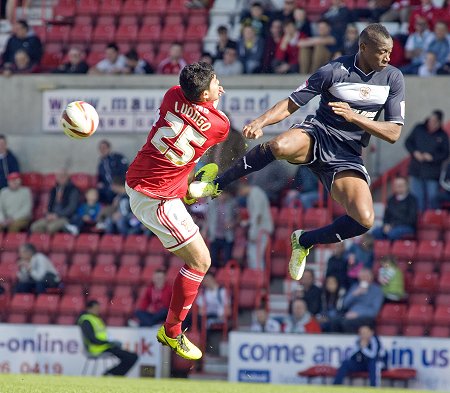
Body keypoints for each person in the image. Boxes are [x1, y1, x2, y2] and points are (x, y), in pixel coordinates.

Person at [190, 23, 406, 282]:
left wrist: (355, 118)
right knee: (279, 145)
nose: (388, 58)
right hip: (318, 134)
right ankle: (216, 184)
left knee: (365, 219)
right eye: (382, 51)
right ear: (363, 47)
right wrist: (260, 122)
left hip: (348, 154)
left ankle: (303, 240)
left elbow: (393, 133)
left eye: (390, 52)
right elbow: (292, 103)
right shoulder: (333, 71)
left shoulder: (393, 78)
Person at [125, 62, 229, 360]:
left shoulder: (172, 95)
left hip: (143, 179)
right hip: (154, 198)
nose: (219, 86)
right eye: (216, 84)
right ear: (206, 92)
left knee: (185, 181)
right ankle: (172, 332)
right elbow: (205, 127)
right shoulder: (220, 125)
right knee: (200, 262)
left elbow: (185, 127)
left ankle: (188, 191)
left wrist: (186, 188)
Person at [78, 300, 138, 376]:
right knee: (131, 357)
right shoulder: (86, 320)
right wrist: (108, 343)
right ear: (89, 309)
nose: (98, 310)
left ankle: (112, 374)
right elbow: (92, 339)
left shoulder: (96, 319)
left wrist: (110, 343)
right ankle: (110, 374)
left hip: (104, 346)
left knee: (131, 357)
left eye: (98, 308)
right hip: (98, 348)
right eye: (96, 308)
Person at [405, 110, 449, 211]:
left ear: (439, 122)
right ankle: (418, 222)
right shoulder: (418, 128)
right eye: (430, 120)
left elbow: (446, 153)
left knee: (432, 200)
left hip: (432, 174)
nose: (431, 123)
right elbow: (408, 142)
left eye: (434, 121)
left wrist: (432, 157)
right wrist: (415, 152)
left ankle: (430, 222)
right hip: (416, 170)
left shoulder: (443, 135)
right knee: (417, 200)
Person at [324, 267, 384, 333]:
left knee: (347, 323)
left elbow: (374, 311)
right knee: (334, 321)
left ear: (371, 277)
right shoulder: (355, 287)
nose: (364, 279)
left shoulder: (377, 290)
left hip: (366, 317)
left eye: (366, 276)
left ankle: (350, 343)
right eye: (362, 277)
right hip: (350, 315)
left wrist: (358, 314)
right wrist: (354, 294)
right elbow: (344, 304)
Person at [30, 170, 80, 234]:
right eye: (59, 176)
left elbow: (72, 208)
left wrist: (57, 215)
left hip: (65, 217)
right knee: (34, 227)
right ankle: (42, 242)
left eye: (63, 176)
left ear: (68, 178)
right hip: (51, 216)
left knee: (51, 228)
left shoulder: (73, 190)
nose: (61, 178)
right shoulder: (54, 189)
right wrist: (48, 213)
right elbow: (49, 204)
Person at [237, 181, 273, 269]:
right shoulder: (252, 194)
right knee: (253, 255)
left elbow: (258, 215)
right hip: (258, 228)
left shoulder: (256, 193)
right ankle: (256, 277)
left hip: (261, 229)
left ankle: (259, 279)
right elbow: (255, 216)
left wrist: (253, 232)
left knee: (257, 256)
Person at [372, 176, 418, 240]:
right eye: (397, 185)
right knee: (376, 232)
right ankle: (384, 249)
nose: (398, 187)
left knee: (392, 233)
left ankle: (393, 249)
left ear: (406, 186)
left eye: (401, 185)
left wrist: (392, 226)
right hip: (391, 226)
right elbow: (386, 216)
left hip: (406, 226)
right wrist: (386, 225)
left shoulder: (412, 200)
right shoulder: (391, 200)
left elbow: (411, 219)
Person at [203, 190, 237, 268]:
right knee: (213, 259)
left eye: (224, 194)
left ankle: (225, 276)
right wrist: (205, 230)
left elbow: (238, 217)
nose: (222, 196)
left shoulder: (232, 203)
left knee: (227, 260)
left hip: (227, 236)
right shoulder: (212, 203)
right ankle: (215, 275)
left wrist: (232, 223)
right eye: (221, 194)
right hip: (215, 235)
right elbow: (208, 218)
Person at [97, 140, 129, 204]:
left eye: (104, 148)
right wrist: (100, 183)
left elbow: (125, 171)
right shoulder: (101, 164)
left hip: (120, 185)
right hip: (108, 188)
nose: (102, 150)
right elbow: (100, 178)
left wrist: (118, 184)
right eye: (101, 148)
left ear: (109, 148)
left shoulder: (117, 158)